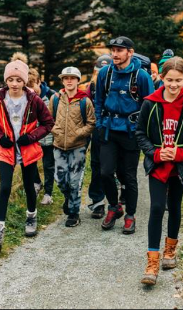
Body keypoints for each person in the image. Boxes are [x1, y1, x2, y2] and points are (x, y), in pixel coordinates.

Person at [136, 57, 183, 286]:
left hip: (179, 167)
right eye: (169, 80)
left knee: (175, 207)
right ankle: (152, 262)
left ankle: (170, 251)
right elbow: (140, 134)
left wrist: (181, 153)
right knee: (157, 208)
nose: (174, 85)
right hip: (157, 165)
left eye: (178, 80)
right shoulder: (150, 103)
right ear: (162, 79)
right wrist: (155, 154)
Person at [0, 59, 54, 254]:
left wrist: (31, 137)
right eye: (11, 79)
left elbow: (47, 123)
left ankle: (31, 216)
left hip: (27, 149)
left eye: (18, 80)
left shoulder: (34, 100)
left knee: (30, 186)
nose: (14, 84)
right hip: (6, 150)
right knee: (5, 187)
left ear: (24, 81)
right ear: (6, 80)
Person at [95, 36, 154, 234]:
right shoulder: (106, 72)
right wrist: (99, 123)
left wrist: (143, 131)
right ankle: (114, 207)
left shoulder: (141, 76)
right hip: (109, 129)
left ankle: (130, 215)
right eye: (113, 50)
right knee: (105, 172)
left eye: (119, 50)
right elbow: (99, 100)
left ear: (130, 52)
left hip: (131, 132)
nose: (115, 54)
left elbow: (150, 105)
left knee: (128, 176)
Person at [50, 67, 96, 227]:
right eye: (66, 78)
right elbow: (48, 119)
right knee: (60, 179)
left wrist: (78, 133)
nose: (69, 80)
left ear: (78, 80)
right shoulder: (55, 99)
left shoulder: (85, 101)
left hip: (78, 147)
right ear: (62, 81)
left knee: (75, 182)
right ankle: (69, 199)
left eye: (72, 78)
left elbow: (91, 123)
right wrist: (55, 130)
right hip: (58, 146)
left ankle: (74, 213)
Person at [86, 55, 112, 219]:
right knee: (96, 164)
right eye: (99, 70)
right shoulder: (91, 87)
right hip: (96, 128)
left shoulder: (116, 84)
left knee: (109, 167)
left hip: (114, 128)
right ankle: (97, 201)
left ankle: (114, 201)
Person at [27, 74, 55, 205]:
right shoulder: (27, 97)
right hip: (33, 137)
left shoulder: (51, 96)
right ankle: (37, 182)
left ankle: (48, 194)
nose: (31, 90)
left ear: (39, 82)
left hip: (49, 137)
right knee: (31, 162)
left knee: (48, 165)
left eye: (32, 86)